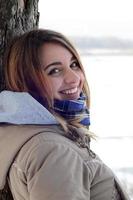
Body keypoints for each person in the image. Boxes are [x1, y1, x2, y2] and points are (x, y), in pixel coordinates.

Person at [0, 29, 129, 200]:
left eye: (74, 64)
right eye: (54, 71)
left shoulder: (21, 132)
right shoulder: (55, 151)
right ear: (27, 81)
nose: (74, 78)